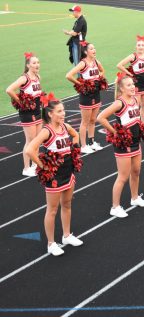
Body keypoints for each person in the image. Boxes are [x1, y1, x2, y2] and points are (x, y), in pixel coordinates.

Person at [25, 93, 83, 256]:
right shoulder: (46, 131)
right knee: (52, 210)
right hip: (54, 176)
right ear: (50, 114)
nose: (63, 113)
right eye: (59, 111)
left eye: (63, 110)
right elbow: (30, 150)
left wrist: (75, 149)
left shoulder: (65, 127)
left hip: (68, 170)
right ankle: (51, 243)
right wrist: (43, 166)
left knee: (67, 204)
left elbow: (75, 134)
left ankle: (67, 235)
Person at [97, 73, 144, 218]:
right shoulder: (119, 103)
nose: (132, 87)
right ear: (121, 89)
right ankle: (115, 207)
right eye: (128, 85)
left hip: (135, 142)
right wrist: (115, 132)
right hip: (124, 144)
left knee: (136, 171)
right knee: (123, 176)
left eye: (133, 84)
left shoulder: (135, 99)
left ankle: (135, 198)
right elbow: (100, 117)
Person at [6, 52, 43, 177]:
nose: (37, 65)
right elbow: (9, 90)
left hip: (37, 111)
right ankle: (26, 168)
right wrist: (20, 101)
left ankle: (34, 165)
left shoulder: (38, 77)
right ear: (28, 65)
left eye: (38, 62)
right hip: (27, 113)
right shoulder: (24, 78)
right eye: (34, 63)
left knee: (37, 140)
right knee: (30, 140)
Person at [66, 41, 105, 154]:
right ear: (85, 51)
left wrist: (99, 78)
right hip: (86, 95)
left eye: (94, 48)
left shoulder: (96, 62)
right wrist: (81, 84)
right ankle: (83, 146)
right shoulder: (83, 63)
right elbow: (69, 75)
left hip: (96, 93)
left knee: (93, 120)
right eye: (92, 49)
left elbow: (102, 71)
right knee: (85, 121)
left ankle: (91, 142)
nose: (94, 50)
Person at [117, 35, 144, 131]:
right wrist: (129, 73)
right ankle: (137, 125)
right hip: (136, 85)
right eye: (139, 45)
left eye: (142, 45)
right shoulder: (133, 56)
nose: (141, 47)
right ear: (136, 47)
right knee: (136, 107)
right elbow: (119, 65)